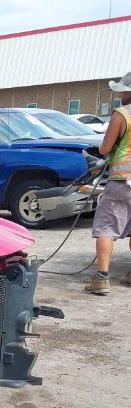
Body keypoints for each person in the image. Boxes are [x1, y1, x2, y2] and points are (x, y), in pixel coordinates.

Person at [85, 72, 131, 295]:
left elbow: (104, 148)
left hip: (123, 181)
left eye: (123, 90)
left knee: (107, 228)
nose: (120, 94)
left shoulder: (121, 114)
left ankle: (102, 278)